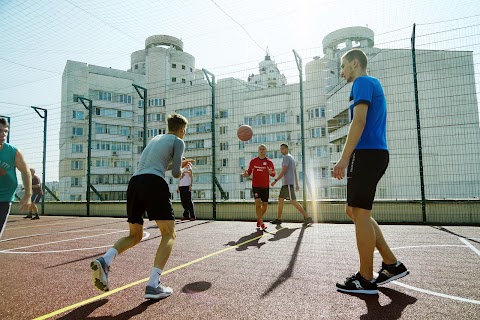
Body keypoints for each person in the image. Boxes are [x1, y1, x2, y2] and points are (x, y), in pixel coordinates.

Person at [90, 114, 192, 300]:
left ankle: (105, 260)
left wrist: (173, 165)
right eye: (185, 131)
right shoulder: (178, 141)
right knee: (169, 233)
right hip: (154, 183)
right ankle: (153, 285)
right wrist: (183, 169)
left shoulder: (156, 139)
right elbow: (176, 174)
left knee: (134, 235)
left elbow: (156, 165)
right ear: (182, 130)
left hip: (135, 183)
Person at [333, 49, 409, 295]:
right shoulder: (371, 83)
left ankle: (366, 279)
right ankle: (391, 263)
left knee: (361, 213)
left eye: (343, 66)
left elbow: (359, 121)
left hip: (366, 153)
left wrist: (344, 159)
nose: (341, 72)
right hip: (374, 153)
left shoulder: (362, 82)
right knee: (353, 210)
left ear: (355, 63)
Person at [0, 118, 32, 239]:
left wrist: (28, 195)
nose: (3, 134)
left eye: (6, 131)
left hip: (4, 198)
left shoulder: (13, 152)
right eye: (0, 131)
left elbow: (25, 171)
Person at [270, 144, 313, 226]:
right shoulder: (291, 158)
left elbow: (284, 170)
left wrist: (275, 180)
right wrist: (296, 183)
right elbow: (294, 172)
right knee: (280, 199)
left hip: (288, 184)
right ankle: (279, 219)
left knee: (293, 201)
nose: (281, 150)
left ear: (286, 149)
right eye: (280, 149)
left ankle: (308, 217)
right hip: (287, 184)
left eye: (282, 149)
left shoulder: (286, 157)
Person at [242, 144, 275, 231]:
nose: (262, 150)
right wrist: (245, 174)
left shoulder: (269, 162)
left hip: (265, 186)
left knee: (264, 205)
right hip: (256, 186)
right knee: (257, 203)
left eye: (263, 149)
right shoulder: (253, 161)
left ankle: (259, 219)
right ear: (258, 151)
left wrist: (271, 172)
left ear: (266, 151)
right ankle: (262, 223)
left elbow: (274, 174)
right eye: (260, 149)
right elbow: (248, 172)